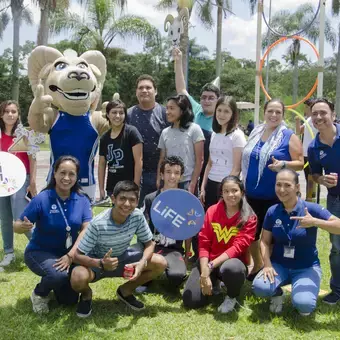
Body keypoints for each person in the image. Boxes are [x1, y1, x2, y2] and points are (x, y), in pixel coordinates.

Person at [70, 180, 167, 317]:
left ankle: (125, 291)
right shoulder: (98, 223)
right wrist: (100, 263)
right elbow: (77, 255)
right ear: (113, 199)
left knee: (160, 263)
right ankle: (86, 295)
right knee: (77, 277)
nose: (127, 204)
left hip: (122, 258)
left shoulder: (137, 216)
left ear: (137, 201)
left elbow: (150, 243)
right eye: (122, 199)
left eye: (132, 200)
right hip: (96, 262)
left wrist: (142, 262)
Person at [252, 169, 340, 315]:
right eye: (278, 185)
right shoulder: (272, 211)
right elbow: (265, 242)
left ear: (297, 187)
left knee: (304, 305)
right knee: (260, 287)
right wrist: (267, 265)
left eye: (287, 185)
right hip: (279, 265)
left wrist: (315, 222)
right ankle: (277, 294)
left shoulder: (311, 209)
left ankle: (302, 294)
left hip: (306, 266)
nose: (282, 189)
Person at [13, 156, 92, 314]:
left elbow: (86, 230)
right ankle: (39, 293)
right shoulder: (42, 199)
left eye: (71, 174)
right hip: (40, 252)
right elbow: (16, 225)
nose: (66, 178)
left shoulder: (82, 200)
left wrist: (70, 256)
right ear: (54, 173)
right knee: (58, 275)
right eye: (62, 173)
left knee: (68, 301)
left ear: (76, 177)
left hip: (68, 254)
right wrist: (21, 226)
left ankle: (55, 284)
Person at [242, 98, 304, 280]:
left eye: (278, 112)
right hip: (251, 194)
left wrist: (284, 163)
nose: (274, 115)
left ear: (283, 115)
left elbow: (300, 163)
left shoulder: (288, 136)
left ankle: (274, 270)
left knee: (272, 237)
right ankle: (258, 264)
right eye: (271, 111)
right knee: (251, 234)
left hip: (276, 197)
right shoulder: (256, 131)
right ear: (264, 112)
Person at [182, 176, 257, 313]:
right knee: (191, 300)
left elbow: (237, 248)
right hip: (209, 261)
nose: (230, 195)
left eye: (234, 190)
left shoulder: (249, 217)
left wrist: (210, 266)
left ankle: (231, 296)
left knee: (233, 269)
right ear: (221, 193)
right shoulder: (212, 211)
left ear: (242, 192)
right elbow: (204, 242)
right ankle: (214, 282)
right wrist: (204, 271)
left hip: (232, 263)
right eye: (226, 191)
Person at [308, 98, 340, 305]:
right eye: (314, 114)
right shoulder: (313, 147)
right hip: (335, 199)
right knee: (337, 247)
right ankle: (337, 290)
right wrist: (322, 180)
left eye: (323, 113)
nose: (319, 117)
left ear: (333, 115)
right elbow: (314, 174)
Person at [173, 47, 220, 187]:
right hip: (192, 166)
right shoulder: (196, 109)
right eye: (204, 97)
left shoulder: (222, 117)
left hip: (212, 170)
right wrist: (178, 61)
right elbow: (181, 89)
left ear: (218, 100)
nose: (207, 101)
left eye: (211, 98)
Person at [0, 100, 37, 268]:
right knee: (5, 218)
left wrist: (33, 182)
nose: (10, 114)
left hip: (21, 179)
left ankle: (40, 247)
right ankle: (9, 253)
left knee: (21, 217)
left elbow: (33, 158)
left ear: (18, 114)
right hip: (2, 181)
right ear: (1, 114)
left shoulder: (25, 134)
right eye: (7, 111)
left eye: (13, 111)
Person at [143, 156, 188, 291]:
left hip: (174, 249)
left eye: (176, 173)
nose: (172, 176)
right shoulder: (150, 198)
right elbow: (143, 227)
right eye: (168, 172)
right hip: (152, 247)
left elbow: (189, 230)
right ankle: (148, 276)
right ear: (161, 175)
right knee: (134, 263)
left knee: (177, 277)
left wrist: (186, 255)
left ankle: (168, 268)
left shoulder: (186, 200)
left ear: (181, 176)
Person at [127, 75, 169, 203]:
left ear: (155, 91)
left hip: (159, 174)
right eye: (140, 88)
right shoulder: (128, 114)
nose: (144, 90)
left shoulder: (165, 113)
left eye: (148, 87)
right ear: (136, 92)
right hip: (133, 174)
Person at [200, 96, 246, 210]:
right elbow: (210, 163)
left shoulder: (237, 135)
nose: (221, 114)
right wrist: (202, 187)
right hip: (211, 183)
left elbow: (236, 168)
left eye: (226, 111)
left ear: (233, 114)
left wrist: (225, 191)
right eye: (219, 110)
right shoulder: (214, 134)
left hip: (228, 187)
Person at [157, 94, 205, 194]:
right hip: (168, 182)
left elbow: (199, 160)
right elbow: (162, 159)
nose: (167, 112)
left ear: (182, 110)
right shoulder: (165, 132)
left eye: (171, 108)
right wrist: (159, 179)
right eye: (167, 108)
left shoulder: (195, 129)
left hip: (186, 182)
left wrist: (193, 183)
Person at [98, 99, 143, 199]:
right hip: (112, 188)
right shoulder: (104, 138)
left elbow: (139, 161)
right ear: (108, 114)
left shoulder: (132, 132)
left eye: (121, 113)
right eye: (114, 112)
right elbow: (102, 164)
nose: (117, 116)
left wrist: (136, 187)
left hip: (129, 186)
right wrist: (101, 189)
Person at [295, 99, 318, 201]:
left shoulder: (315, 120)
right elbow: (299, 131)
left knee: (311, 178)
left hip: (313, 153)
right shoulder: (308, 120)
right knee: (307, 177)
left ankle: (310, 199)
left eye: (306, 107)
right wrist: (297, 121)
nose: (305, 109)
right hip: (305, 153)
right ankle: (309, 198)